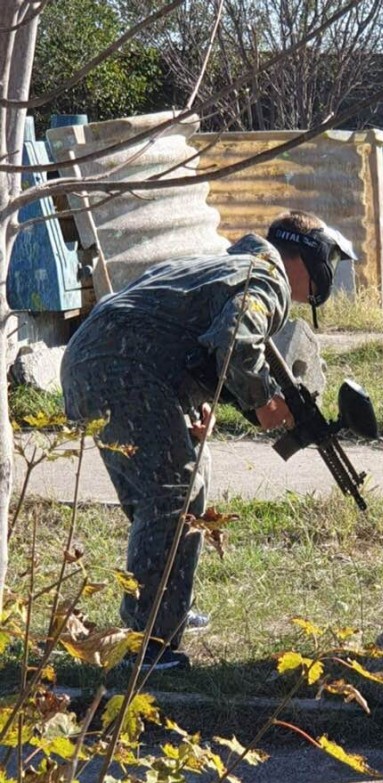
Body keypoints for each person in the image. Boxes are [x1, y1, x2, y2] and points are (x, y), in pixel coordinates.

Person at [60, 210, 356, 670]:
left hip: (99, 361)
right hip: (121, 369)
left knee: (188, 475)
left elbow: (182, 332)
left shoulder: (227, 263)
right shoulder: (268, 279)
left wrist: (198, 400)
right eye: (327, 262)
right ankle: (147, 645)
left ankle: (168, 606)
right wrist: (262, 403)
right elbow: (237, 340)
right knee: (172, 493)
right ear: (309, 257)